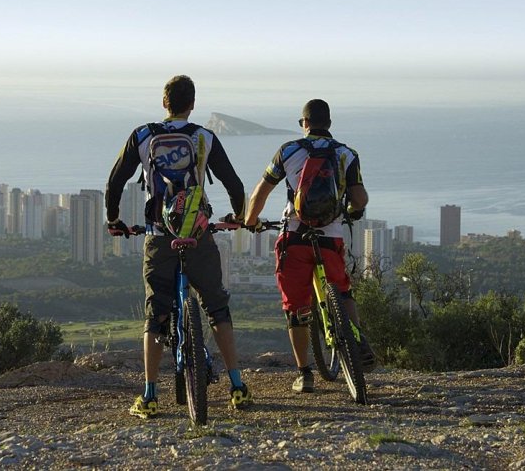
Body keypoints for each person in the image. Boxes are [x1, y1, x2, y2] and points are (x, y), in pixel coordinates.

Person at [105, 74, 252, 419]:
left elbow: (114, 182)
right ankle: (237, 386)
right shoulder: (203, 136)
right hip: (198, 234)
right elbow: (234, 184)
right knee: (217, 307)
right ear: (193, 104)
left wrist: (114, 220)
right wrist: (239, 215)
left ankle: (149, 394)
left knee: (155, 313)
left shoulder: (143, 135)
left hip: (159, 235)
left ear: (164, 103)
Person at [245, 98, 375, 394]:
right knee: (342, 289)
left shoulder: (289, 151)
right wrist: (353, 212)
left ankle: (304, 373)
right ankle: (354, 339)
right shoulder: (346, 154)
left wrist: (251, 221)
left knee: (296, 306)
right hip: (330, 236)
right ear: (329, 123)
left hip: (295, 235)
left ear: (303, 124)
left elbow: (260, 193)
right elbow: (360, 198)